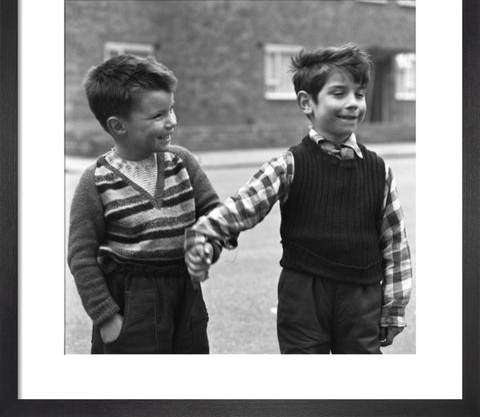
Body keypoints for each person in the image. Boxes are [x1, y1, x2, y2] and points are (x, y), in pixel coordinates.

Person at [185, 43, 412, 354]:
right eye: (339, 93)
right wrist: (205, 233)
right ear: (307, 102)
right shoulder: (289, 164)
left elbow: (394, 242)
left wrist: (394, 307)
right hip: (304, 294)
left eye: (359, 94)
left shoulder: (379, 170)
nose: (353, 103)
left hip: (362, 295)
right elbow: (244, 205)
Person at [68, 54, 221, 354]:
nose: (172, 121)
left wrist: (208, 245)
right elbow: (81, 256)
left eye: (171, 109)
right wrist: (107, 317)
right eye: (158, 116)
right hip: (131, 302)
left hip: (185, 297)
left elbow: (215, 215)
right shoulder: (95, 181)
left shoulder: (183, 163)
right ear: (118, 126)